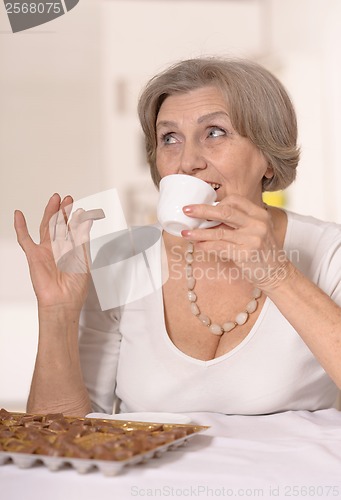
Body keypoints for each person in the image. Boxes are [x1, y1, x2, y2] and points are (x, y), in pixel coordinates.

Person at [14, 57, 341, 417]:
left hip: (291, 476)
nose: (187, 161)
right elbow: (64, 433)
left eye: (215, 132)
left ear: (268, 157)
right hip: (150, 474)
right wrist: (58, 312)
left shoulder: (327, 251)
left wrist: (279, 275)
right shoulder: (123, 258)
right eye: (170, 138)